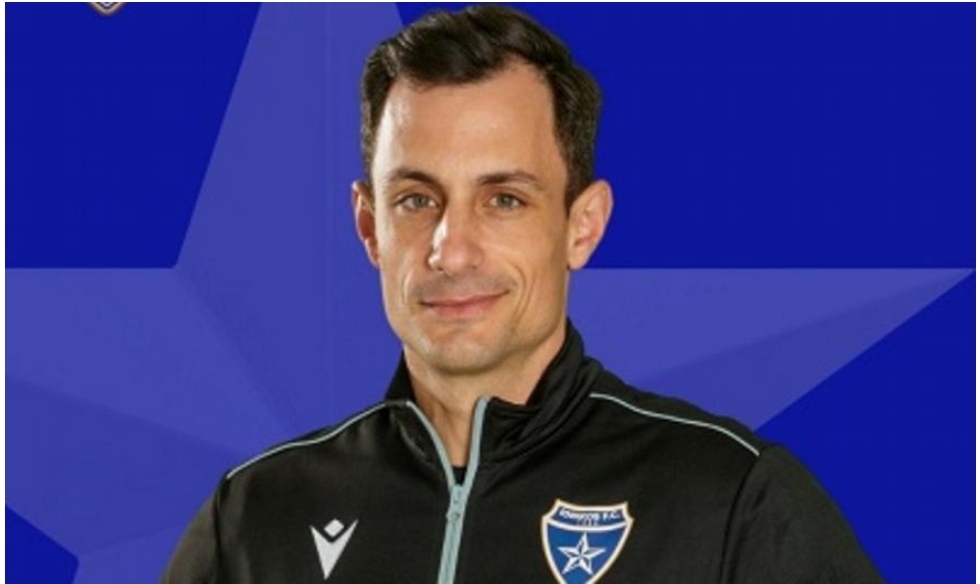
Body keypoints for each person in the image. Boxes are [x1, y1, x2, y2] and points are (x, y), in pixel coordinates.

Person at [162, 6, 882, 583]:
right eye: (416, 200)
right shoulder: (255, 517)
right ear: (369, 226)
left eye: (504, 199)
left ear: (581, 226)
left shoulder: (729, 501)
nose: (452, 250)